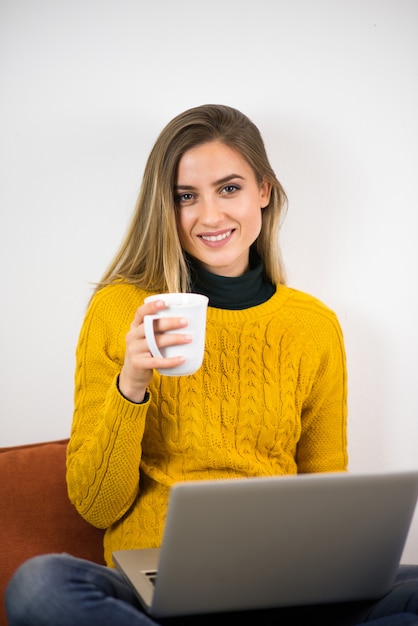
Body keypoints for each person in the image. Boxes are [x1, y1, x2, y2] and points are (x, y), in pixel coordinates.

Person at [5, 104, 418, 626]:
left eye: (229, 188)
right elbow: (96, 506)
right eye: (186, 197)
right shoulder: (121, 309)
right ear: (165, 206)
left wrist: (321, 568)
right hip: (155, 581)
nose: (210, 216)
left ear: (263, 191)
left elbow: (323, 486)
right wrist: (132, 382)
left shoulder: (313, 326)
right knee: (40, 585)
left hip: (280, 578)